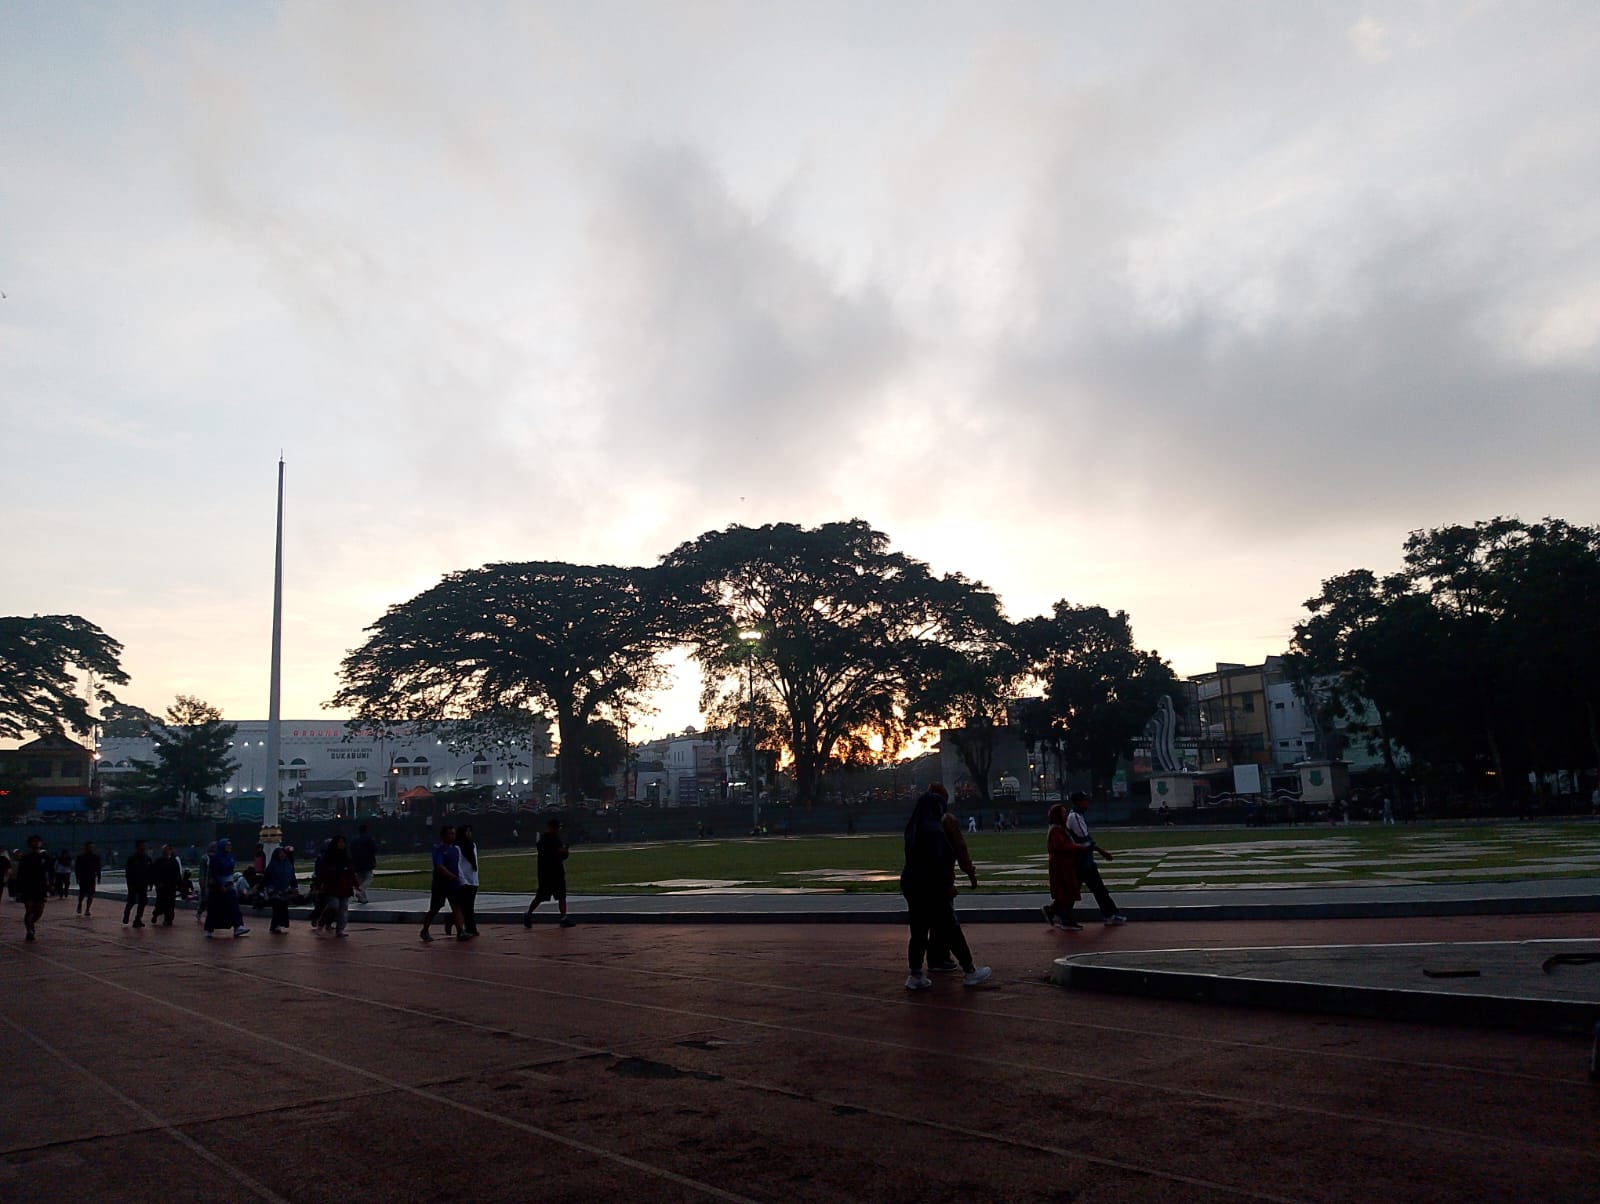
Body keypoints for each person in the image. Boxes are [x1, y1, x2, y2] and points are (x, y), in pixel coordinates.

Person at [899, 787, 991, 990]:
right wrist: (948, 885)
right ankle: (970, 970)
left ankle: (916, 974)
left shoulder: (913, 828)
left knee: (918, 930)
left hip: (912, 882)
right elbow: (939, 862)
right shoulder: (935, 831)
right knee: (950, 927)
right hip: (932, 885)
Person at [926, 783, 979, 973]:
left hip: (921, 879)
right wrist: (970, 873)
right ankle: (963, 964)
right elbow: (960, 848)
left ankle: (933, 959)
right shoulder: (947, 820)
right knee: (947, 921)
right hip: (942, 877)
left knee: (933, 921)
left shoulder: (920, 822)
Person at [1063, 792, 1127, 926]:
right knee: (1098, 889)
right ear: (1078, 802)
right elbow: (1084, 840)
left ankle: (1059, 914)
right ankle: (1110, 914)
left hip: (1082, 861)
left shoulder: (1077, 816)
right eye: (1085, 801)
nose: (1087, 804)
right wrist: (1102, 851)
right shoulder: (1075, 817)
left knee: (1075, 891)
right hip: (1083, 862)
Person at [523, 818, 574, 929]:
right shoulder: (548, 839)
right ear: (552, 827)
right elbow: (556, 853)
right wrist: (563, 851)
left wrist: (564, 852)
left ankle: (563, 917)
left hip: (551, 872)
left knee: (558, 895)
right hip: (549, 872)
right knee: (545, 896)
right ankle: (529, 913)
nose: (558, 830)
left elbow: (560, 854)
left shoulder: (548, 839)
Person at [1041, 803, 1085, 931]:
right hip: (1061, 865)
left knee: (1067, 891)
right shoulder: (1056, 830)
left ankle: (1054, 912)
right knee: (1067, 891)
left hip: (1064, 864)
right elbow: (1061, 847)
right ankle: (1064, 918)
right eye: (1063, 812)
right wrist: (1079, 847)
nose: (1065, 815)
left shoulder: (1060, 829)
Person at [420, 826, 466, 942]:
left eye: (453, 834)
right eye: (450, 834)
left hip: (453, 884)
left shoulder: (455, 850)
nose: (452, 836)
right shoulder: (439, 850)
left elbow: (458, 866)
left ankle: (460, 931)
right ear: (443, 836)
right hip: (440, 885)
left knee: (457, 906)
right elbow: (439, 866)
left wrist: (460, 879)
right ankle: (425, 930)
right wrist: (451, 876)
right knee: (435, 908)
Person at [204, 838, 249, 938]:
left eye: (230, 845)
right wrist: (220, 885)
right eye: (227, 845)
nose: (229, 847)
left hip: (229, 886)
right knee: (214, 908)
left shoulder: (230, 856)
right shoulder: (216, 858)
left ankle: (238, 926)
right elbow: (214, 873)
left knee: (234, 907)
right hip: (217, 888)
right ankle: (209, 929)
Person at [315, 835, 356, 937]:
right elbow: (322, 872)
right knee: (334, 906)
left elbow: (351, 872)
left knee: (343, 908)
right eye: (339, 842)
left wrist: (355, 883)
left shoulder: (346, 857)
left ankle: (340, 929)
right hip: (332, 886)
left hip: (345, 886)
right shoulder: (328, 858)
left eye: (343, 842)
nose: (341, 844)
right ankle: (321, 923)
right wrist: (319, 885)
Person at [17, 835, 53, 942]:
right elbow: (20, 874)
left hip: (41, 887)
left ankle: (31, 923)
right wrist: (19, 889)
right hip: (28, 887)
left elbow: (51, 871)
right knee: (29, 908)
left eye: (38, 841)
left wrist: (52, 883)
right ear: (29, 844)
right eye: (33, 841)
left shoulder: (45, 857)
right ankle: (29, 930)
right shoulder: (25, 858)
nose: (36, 843)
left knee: (39, 910)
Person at [455, 824, 481, 939]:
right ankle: (471, 928)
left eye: (470, 831)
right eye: (467, 832)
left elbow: (475, 862)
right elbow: (458, 864)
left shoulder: (472, 845)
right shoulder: (457, 847)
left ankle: (452, 920)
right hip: (464, 880)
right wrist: (462, 880)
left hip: (473, 879)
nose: (469, 834)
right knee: (467, 906)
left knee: (469, 906)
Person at [263, 846, 297, 933]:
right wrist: (270, 888)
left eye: (283, 853)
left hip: (284, 890)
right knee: (277, 908)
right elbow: (266, 878)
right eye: (280, 853)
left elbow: (292, 876)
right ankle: (275, 925)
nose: (282, 855)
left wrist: (294, 887)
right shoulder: (272, 865)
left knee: (283, 907)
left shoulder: (288, 864)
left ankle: (280, 923)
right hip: (274, 891)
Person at [122, 839, 153, 928]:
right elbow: (128, 873)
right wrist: (130, 885)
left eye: (144, 846)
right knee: (132, 901)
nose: (143, 848)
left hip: (143, 883)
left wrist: (151, 883)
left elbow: (150, 871)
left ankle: (138, 920)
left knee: (143, 902)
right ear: (137, 847)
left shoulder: (147, 858)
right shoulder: (132, 858)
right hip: (133, 883)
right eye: (141, 846)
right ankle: (126, 913)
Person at [150, 845, 182, 926]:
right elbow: (154, 873)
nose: (167, 851)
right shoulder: (158, 861)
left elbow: (177, 873)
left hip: (171, 886)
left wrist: (178, 884)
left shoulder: (173, 861)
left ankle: (168, 919)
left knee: (170, 903)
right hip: (161, 886)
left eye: (168, 850)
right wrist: (157, 883)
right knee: (160, 902)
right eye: (165, 850)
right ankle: (156, 914)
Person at [350, 824, 378, 904]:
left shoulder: (354, 840)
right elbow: (374, 849)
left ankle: (362, 898)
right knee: (369, 877)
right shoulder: (369, 838)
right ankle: (360, 891)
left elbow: (351, 850)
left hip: (356, 861)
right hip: (367, 860)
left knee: (360, 879)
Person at [74, 842, 102, 916]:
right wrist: (77, 877)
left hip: (92, 877)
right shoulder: (80, 857)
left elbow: (98, 867)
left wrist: (99, 877)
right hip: (83, 877)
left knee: (91, 894)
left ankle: (87, 909)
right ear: (85, 848)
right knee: (82, 893)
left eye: (92, 847)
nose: (90, 848)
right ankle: (80, 903)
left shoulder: (95, 857)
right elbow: (77, 868)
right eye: (89, 847)